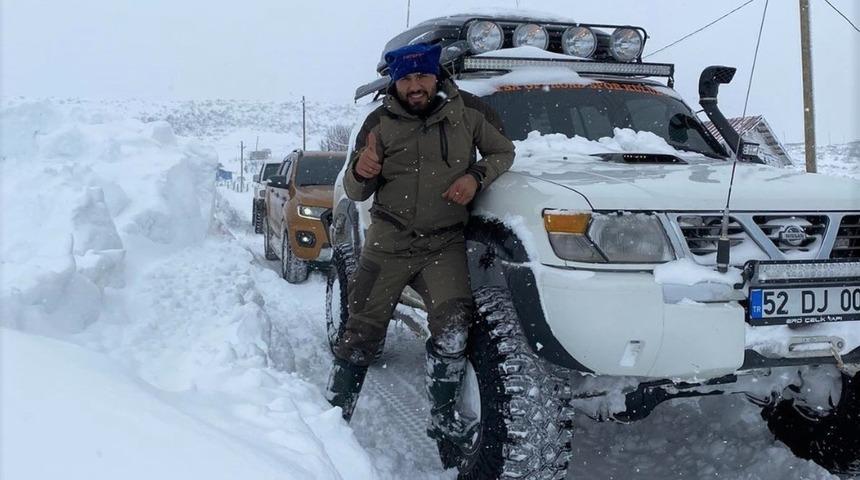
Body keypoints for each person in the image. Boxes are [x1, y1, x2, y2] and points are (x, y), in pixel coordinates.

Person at [325, 42, 515, 441]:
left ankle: (443, 420)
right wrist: (361, 171)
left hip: (442, 245)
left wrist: (476, 177)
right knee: (360, 334)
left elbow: (503, 151)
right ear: (395, 82)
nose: (415, 86)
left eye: (422, 76)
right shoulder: (377, 123)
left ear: (436, 76)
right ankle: (331, 423)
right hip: (388, 243)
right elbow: (355, 191)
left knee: (454, 329)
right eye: (406, 79)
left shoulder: (469, 112)